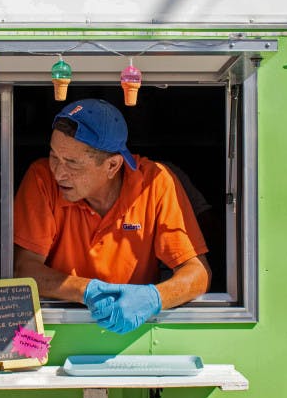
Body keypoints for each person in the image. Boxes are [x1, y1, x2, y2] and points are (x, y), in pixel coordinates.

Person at [13, 99, 211, 333]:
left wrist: (153, 298)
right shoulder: (41, 177)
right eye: (54, 156)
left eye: (72, 163)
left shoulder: (155, 183)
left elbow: (198, 274)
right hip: (60, 326)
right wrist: (86, 290)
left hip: (135, 329)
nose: (58, 173)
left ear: (112, 165)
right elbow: (25, 270)